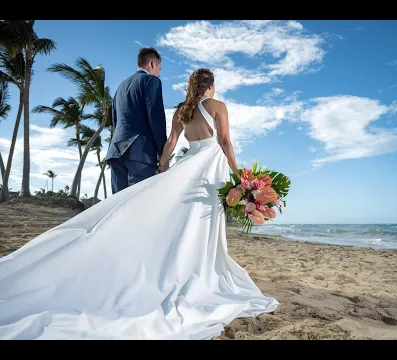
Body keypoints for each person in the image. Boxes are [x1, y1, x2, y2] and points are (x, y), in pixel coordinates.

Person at [0, 68, 279, 340]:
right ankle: (198, 268)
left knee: (186, 221)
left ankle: (186, 265)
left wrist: (163, 165)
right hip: (210, 168)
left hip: (188, 167)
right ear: (211, 85)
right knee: (203, 221)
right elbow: (226, 142)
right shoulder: (217, 105)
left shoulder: (183, 110)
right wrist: (241, 176)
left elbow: (171, 141)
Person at [106, 47, 167, 194]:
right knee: (140, 204)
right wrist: (164, 154)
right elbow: (156, 119)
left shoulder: (120, 87)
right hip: (140, 153)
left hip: (115, 152)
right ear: (153, 63)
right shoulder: (151, 81)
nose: (159, 73)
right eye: (159, 68)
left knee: (118, 206)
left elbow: (115, 121)